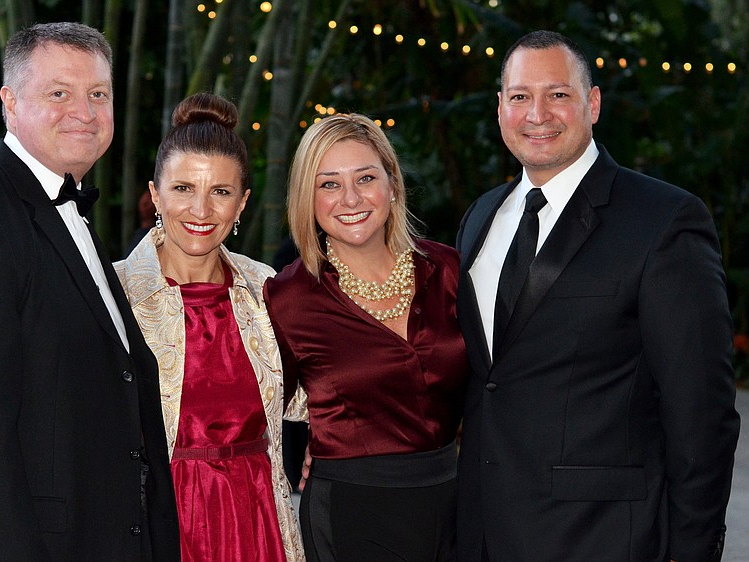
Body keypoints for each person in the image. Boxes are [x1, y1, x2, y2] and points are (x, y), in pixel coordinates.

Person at [455, 30, 740, 562]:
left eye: (558, 94)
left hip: (602, 538)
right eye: (520, 96)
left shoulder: (663, 220)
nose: (537, 113)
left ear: (593, 103)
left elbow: (702, 412)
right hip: (482, 533)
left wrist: (693, 549)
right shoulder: (481, 217)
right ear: (500, 108)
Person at [0, 22, 179, 561]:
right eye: (59, 93)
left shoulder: (68, 213)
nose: (85, 112)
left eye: (98, 94)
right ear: (9, 102)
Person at [264, 113, 467, 562]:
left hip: (458, 504)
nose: (350, 198)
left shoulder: (450, 270)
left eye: (366, 178)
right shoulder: (288, 298)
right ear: (308, 199)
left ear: (392, 184)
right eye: (329, 184)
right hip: (353, 515)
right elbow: (263, 407)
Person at [114, 92, 305, 562]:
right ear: (155, 194)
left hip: (258, 522)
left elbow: (321, 390)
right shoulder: (112, 295)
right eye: (183, 188)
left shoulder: (268, 291)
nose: (200, 210)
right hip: (156, 525)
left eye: (220, 192)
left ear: (242, 204)